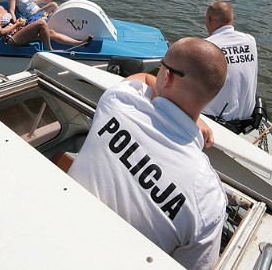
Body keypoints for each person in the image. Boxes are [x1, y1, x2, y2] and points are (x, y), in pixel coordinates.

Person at [68, 38, 227, 270]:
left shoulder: (118, 101)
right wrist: (194, 115)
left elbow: (141, 79)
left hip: (59, 226)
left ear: (168, 77)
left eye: (161, 66)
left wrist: (164, 88)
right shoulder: (208, 197)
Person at [202, 1, 258, 130]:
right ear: (231, 19)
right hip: (247, 119)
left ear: (209, 20)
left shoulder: (205, 46)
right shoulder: (250, 40)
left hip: (217, 123)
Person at [0, 0, 90, 50]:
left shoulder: (0, 7)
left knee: (50, 32)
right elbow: (0, 32)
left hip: (17, 31)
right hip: (11, 39)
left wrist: (18, 22)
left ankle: (79, 44)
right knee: (41, 23)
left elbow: (10, 22)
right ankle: (49, 51)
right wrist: (16, 25)